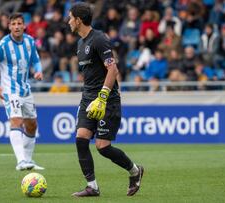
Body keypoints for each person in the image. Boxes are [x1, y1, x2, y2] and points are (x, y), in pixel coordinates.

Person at [67, 2, 144, 197]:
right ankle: (92, 186)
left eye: (70, 17)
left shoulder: (99, 39)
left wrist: (102, 97)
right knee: (81, 139)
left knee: (103, 147)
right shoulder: (79, 44)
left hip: (107, 99)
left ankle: (135, 171)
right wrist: (90, 97)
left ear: (78, 20)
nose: (68, 21)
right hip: (88, 98)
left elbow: (113, 69)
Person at [0, 13, 44, 171]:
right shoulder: (2, 45)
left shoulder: (30, 41)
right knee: (17, 121)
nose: (17, 26)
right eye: (13, 24)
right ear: (9, 26)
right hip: (10, 90)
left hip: (26, 90)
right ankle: (21, 161)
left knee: (32, 125)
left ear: (24, 25)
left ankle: (28, 160)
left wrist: (38, 71)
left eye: (19, 23)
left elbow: (36, 61)